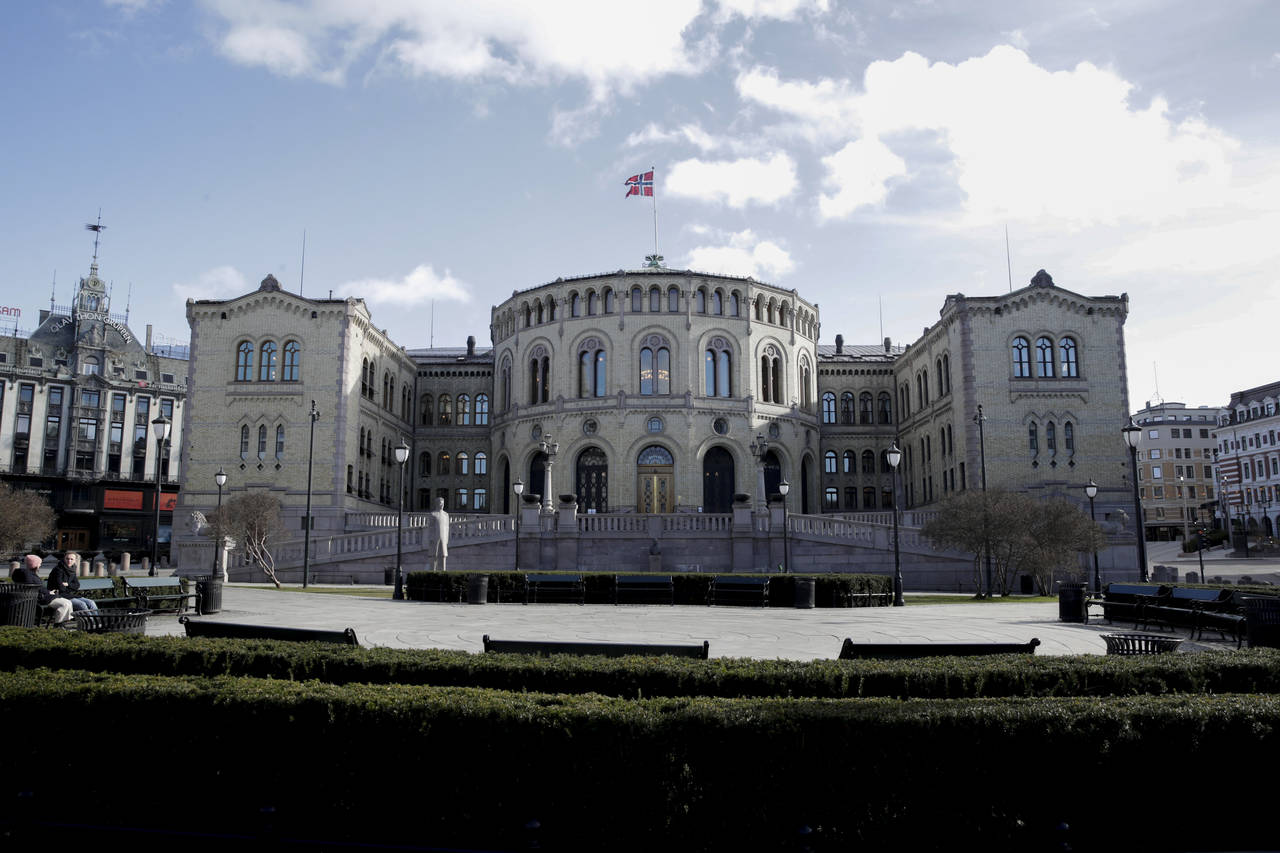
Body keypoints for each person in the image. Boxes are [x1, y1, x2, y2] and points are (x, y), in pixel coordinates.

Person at [13, 554, 73, 625]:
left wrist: (48, 592)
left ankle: (61, 623)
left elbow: (37, 588)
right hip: (40, 599)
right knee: (65, 604)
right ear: (35, 565)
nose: (40, 565)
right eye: (39, 564)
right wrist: (49, 592)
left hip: (34, 598)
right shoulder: (30, 576)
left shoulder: (25, 574)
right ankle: (58, 624)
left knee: (67, 603)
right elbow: (38, 589)